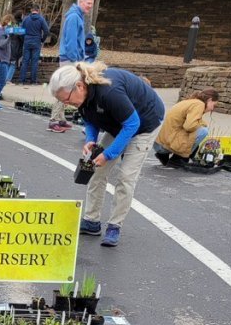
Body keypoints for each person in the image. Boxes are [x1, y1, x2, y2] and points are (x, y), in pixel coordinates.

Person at [49, 59, 165, 248]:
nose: (67, 104)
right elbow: (90, 119)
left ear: (79, 86)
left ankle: (114, 226)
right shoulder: (82, 95)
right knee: (96, 170)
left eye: (67, 99)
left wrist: (109, 154)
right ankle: (92, 221)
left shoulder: (109, 92)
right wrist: (90, 141)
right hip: (118, 122)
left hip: (144, 122)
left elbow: (132, 124)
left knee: (126, 176)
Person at [48, 0, 95, 133]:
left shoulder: (77, 16)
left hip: (72, 58)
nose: (90, 7)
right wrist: (76, 61)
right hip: (70, 59)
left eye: (91, 4)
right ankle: (54, 120)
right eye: (88, 3)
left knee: (68, 87)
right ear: (81, 2)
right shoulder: (74, 17)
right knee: (65, 88)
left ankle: (60, 118)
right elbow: (71, 42)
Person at [154, 87, 219, 167]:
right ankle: (178, 159)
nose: (213, 108)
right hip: (165, 145)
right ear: (209, 100)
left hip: (160, 144)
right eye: (214, 105)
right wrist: (202, 124)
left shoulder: (190, 101)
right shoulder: (199, 104)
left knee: (198, 129)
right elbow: (189, 126)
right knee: (203, 131)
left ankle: (164, 155)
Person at [19, 5, 49, 86]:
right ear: (38, 10)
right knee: (34, 62)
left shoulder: (26, 19)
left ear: (31, 10)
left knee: (25, 61)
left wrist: (23, 39)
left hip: (27, 41)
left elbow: (21, 31)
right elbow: (46, 31)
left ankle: (21, 81)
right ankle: (33, 81)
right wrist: (42, 39)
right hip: (36, 42)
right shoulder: (41, 19)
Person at [6, 11, 24, 83]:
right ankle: (7, 80)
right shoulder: (19, 25)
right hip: (15, 46)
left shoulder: (10, 24)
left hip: (7, 46)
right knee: (13, 64)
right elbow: (22, 37)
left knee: (7, 63)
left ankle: (4, 78)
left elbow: (6, 33)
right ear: (20, 16)